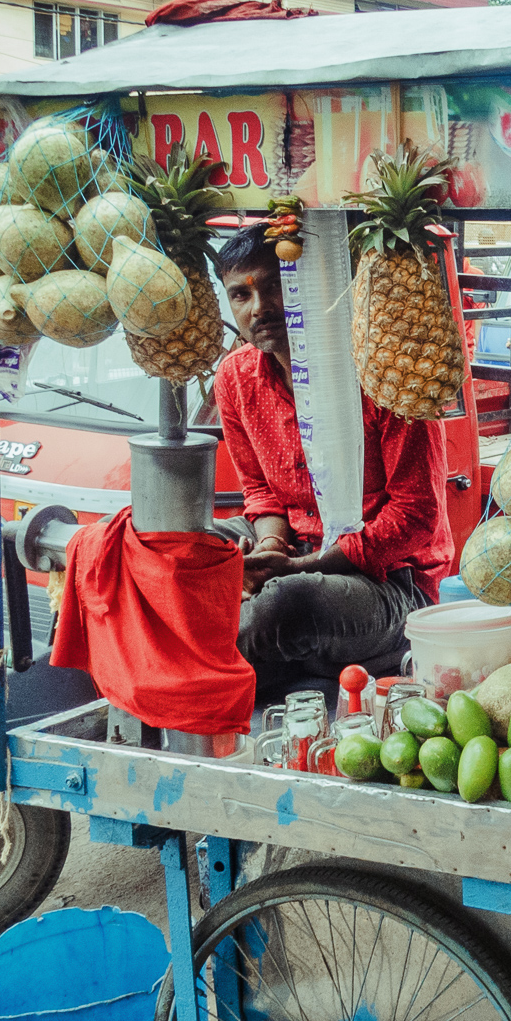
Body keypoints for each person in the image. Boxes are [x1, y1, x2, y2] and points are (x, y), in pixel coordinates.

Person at [211, 222, 452, 695]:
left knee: (285, 603)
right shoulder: (235, 379)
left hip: (392, 581)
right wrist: (270, 548)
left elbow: (415, 517)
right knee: (180, 539)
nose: (259, 308)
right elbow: (259, 491)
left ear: (306, 285)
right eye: (240, 295)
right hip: (298, 548)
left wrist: (302, 568)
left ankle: (224, 670)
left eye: (276, 286)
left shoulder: (381, 374)